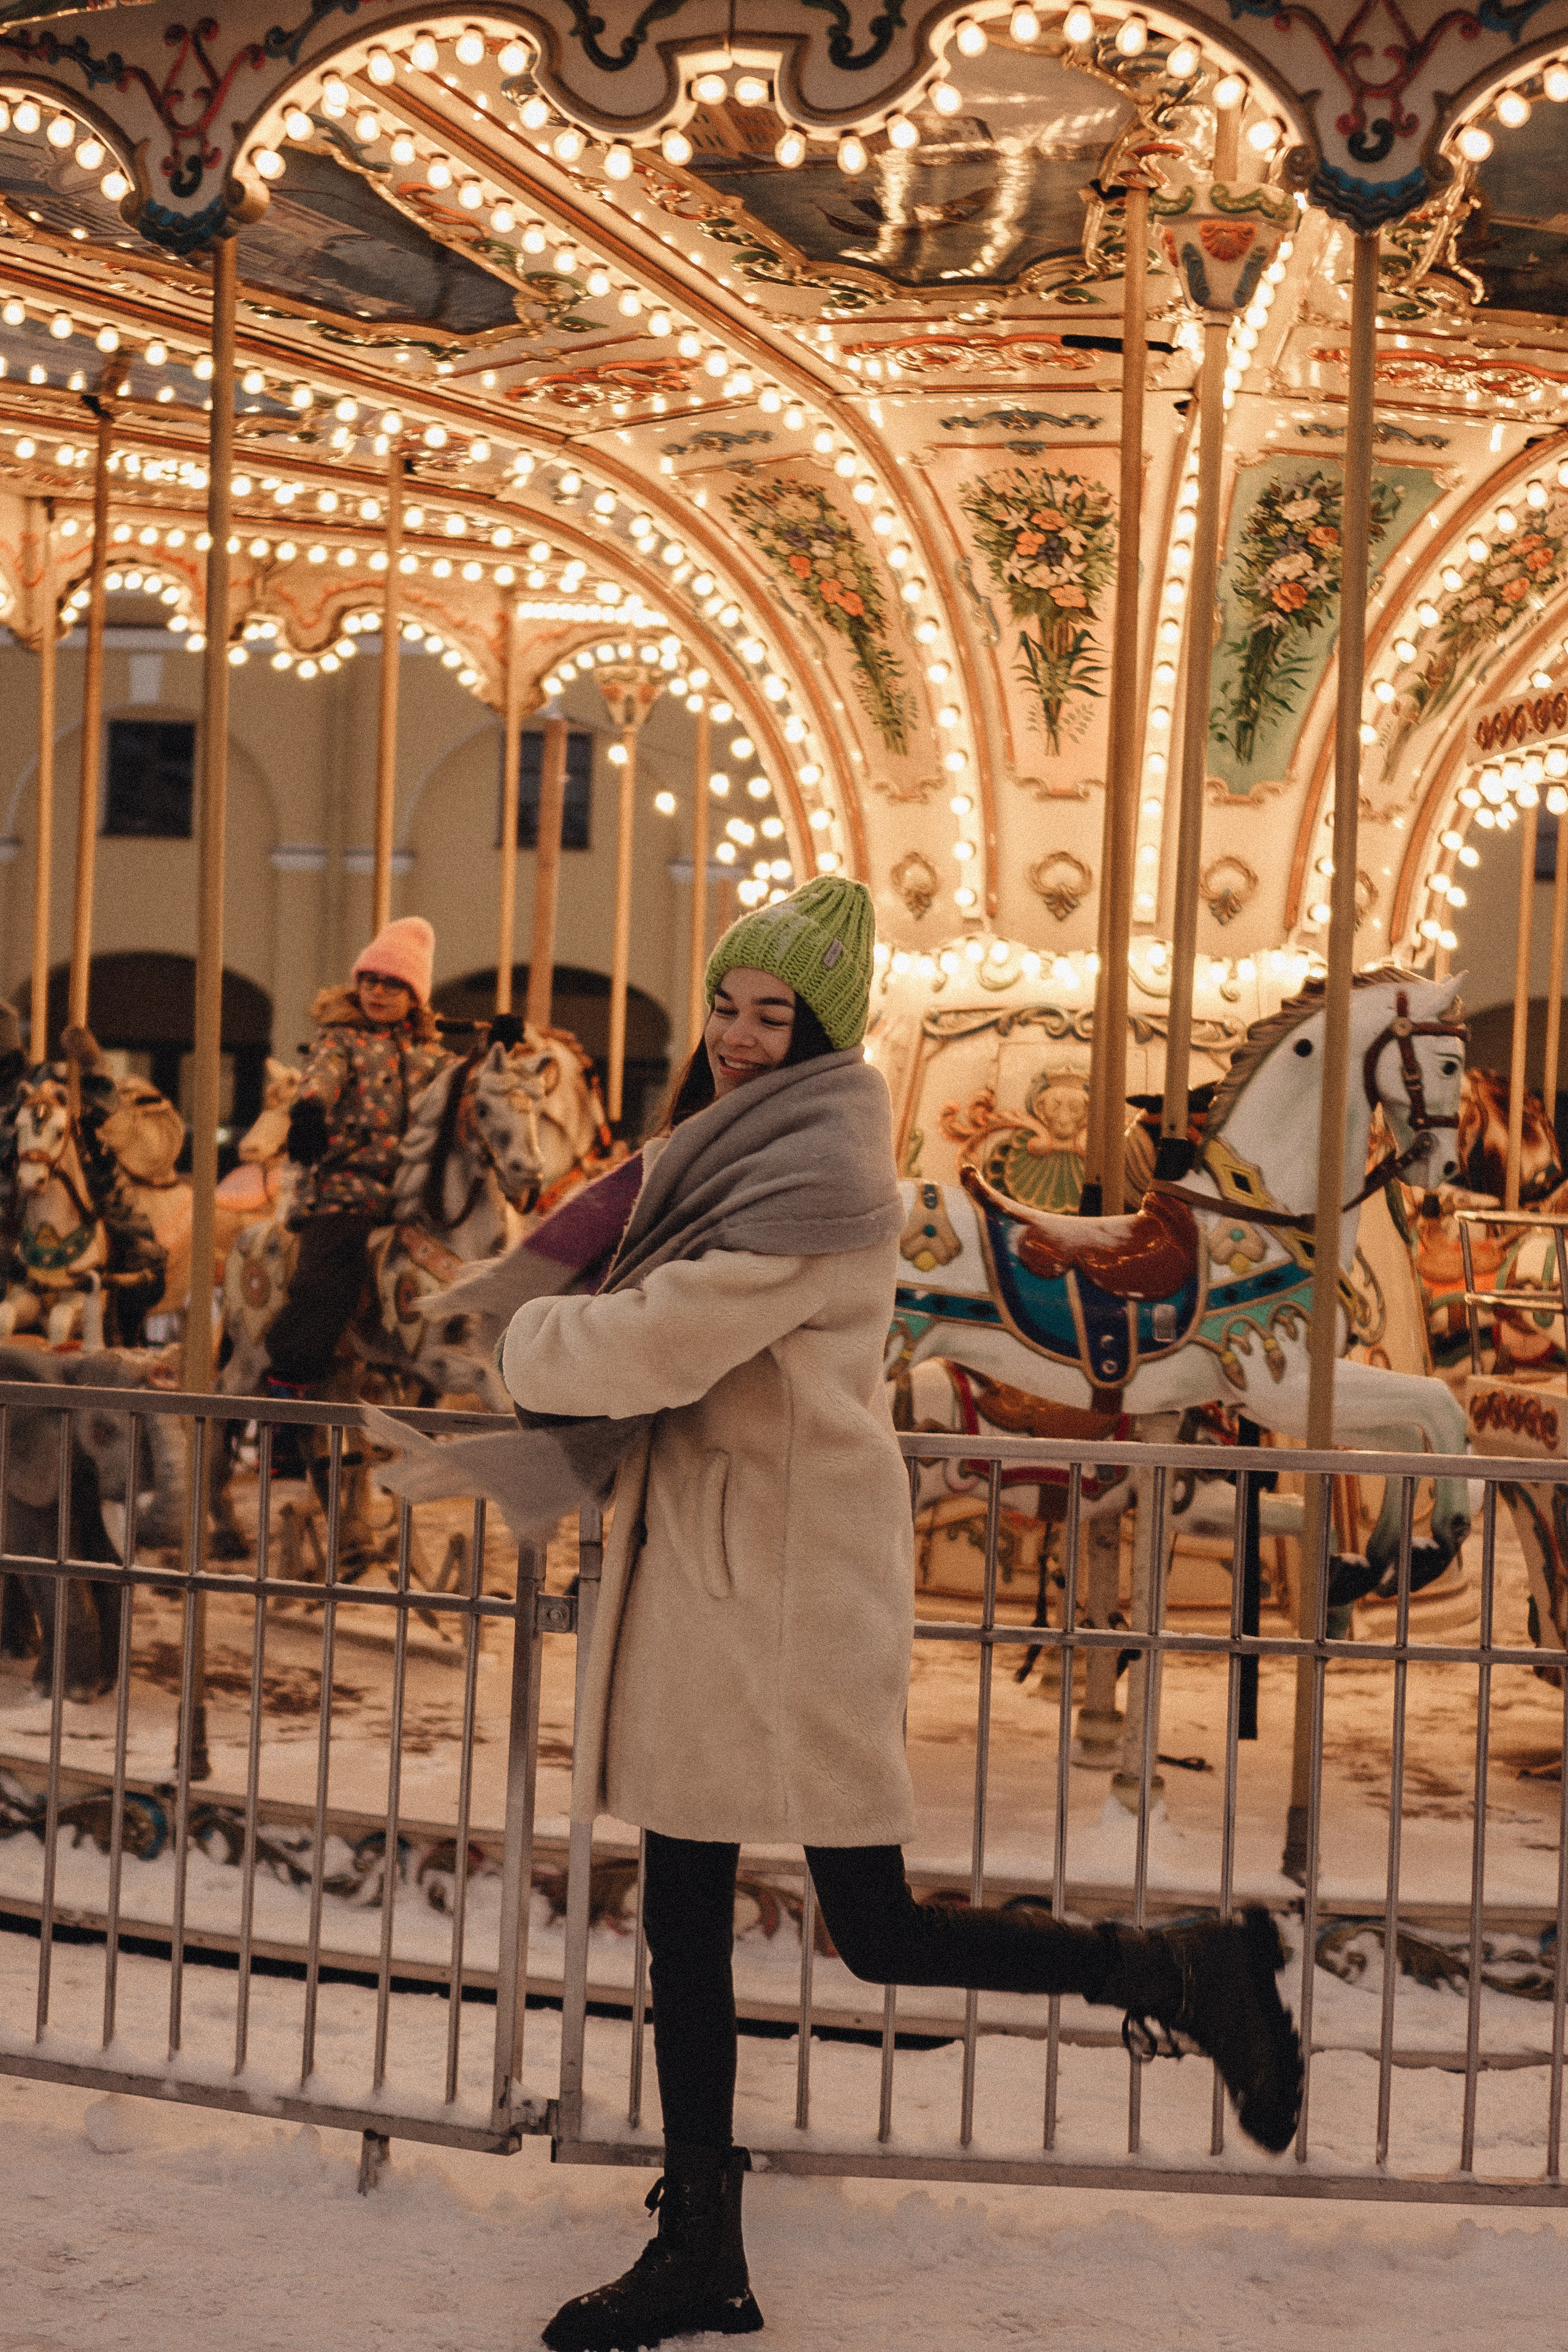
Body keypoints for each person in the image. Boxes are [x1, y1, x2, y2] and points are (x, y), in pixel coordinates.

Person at [500, 878, 1303, 2352]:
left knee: (870, 1925)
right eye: (727, 1005)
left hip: (784, 1586)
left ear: (821, 1035)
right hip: (720, 1571)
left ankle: (1172, 1968)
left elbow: (658, 1340)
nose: (739, 1035)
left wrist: (525, 1337)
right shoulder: (729, 1154)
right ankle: (699, 2241)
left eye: (773, 1015)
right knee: (681, 1909)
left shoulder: (816, 1184)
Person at [265, 916, 451, 1395]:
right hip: (347, 1186)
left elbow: (469, 1090)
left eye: (393, 984)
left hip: (411, 1195)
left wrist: (505, 1048)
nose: (378, 992)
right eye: (370, 981)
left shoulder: (432, 1055)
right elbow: (323, 1074)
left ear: (414, 996)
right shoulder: (341, 1039)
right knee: (329, 1277)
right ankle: (290, 1375)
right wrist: (310, 1110)